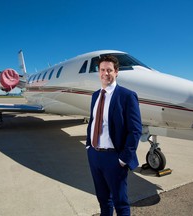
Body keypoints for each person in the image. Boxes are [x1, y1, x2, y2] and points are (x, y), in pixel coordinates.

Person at [86, 55, 142, 216]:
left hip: (114, 158)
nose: (105, 73)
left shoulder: (127, 96)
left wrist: (124, 158)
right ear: (99, 72)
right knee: (103, 201)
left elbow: (135, 130)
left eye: (109, 70)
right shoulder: (95, 95)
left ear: (116, 72)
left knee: (121, 204)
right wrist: (89, 146)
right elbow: (92, 121)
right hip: (95, 156)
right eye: (102, 70)